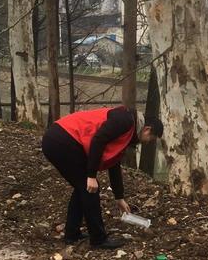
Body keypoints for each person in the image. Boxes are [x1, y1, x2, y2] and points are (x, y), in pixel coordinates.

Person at [42, 105, 163, 249]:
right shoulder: (126, 120)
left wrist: (119, 198)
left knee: (83, 188)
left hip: (60, 139)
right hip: (62, 139)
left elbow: (114, 163)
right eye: (151, 138)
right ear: (147, 129)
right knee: (90, 188)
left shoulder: (128, 127)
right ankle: (98, 239)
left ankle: (72, 234)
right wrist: (91, 175)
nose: (148, 141)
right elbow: (98, 139)